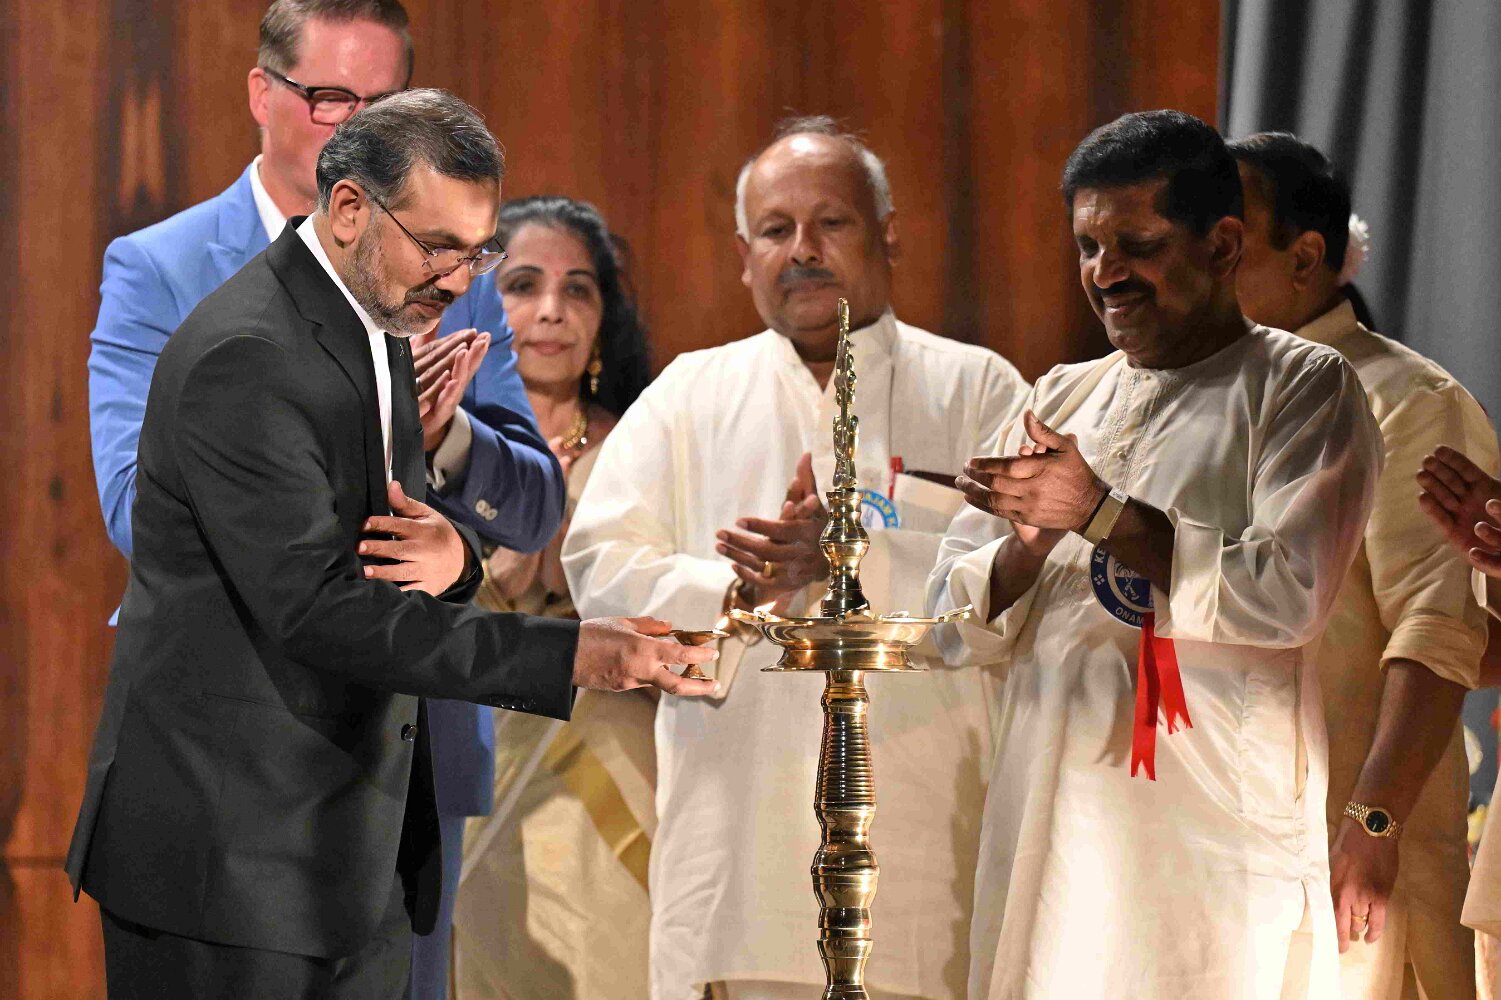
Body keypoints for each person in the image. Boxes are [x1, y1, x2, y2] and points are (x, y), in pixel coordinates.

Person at [65, 89, 717, 1000]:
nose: (457, 279)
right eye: (437, 246)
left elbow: (394, 546)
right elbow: (323, 611)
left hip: (348, 859)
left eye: (475, 252)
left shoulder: (376, 317)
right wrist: (576, 654)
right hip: (228, 868)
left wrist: (458, 560)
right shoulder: (247, 355)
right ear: (347, 209)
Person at [83, 5, 542, 994]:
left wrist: (447, 452)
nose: (360, 126)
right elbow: (136, 505)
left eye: (386, 101)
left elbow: (530, 507)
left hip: (408, 748)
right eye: (333, 96)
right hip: (232, 781)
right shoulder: (164, 269)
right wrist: (361, 445)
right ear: (262, 92)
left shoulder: (449, 266)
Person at [563, 116, 1031, 1000]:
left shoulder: (978, 390)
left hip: (927, 845)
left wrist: (853, 558)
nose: (802, 250)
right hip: (734, 853)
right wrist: (741, 587)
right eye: (775, 230)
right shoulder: (690, 392)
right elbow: (600, 569)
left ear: (886, 233)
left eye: (831, 222)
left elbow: (1019, 584)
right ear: (744, 258)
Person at [927, 109, 1383, 998]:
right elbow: (950, 622)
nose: (1105, 274)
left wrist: (1098, 512)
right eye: (1087, 247)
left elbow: (1288, 596)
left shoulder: (1302, 387)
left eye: (1136, 246)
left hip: (1205, 837)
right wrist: (1029, 546)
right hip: (1047, 823)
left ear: (1222, 245)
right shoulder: (1061, 396)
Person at [1232, 130, 1494, 1000]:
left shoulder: (1404, 399)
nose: (1201, 259)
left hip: (1348, 849)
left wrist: (1372, 821)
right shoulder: (1198, 395)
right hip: (1222, 844)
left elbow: (1440, 631)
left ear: (1305, 257)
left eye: (1229, 238)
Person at [453, 196, 656, 999]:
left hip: (621, 764)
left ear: (602, 321)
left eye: (577, 289)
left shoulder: (648, 446)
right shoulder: (433, 443)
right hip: (473, 766)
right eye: (523, 284)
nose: (550, 310)